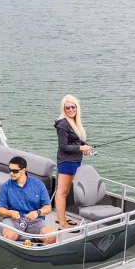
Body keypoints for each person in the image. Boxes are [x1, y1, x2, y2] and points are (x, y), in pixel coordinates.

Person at [0, 156, 57, 244]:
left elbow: (48, 208)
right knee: (9, 236)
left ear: (23, 170)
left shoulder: (38, 184)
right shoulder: (5, 186)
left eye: (15, 171)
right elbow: (0, 211)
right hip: (13, 220)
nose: (11, 173)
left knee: (51, 237)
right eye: (10, 170)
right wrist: (11, 213)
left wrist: (37, 212)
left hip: (36, 221)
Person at [54, 95, 92, 230]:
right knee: (62, 192)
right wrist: (82, 148)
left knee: (65, 191)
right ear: (63, 109)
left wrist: (85, 146)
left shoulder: (74, 121)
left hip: (75, 161)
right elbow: (63, 147)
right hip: (66, 162)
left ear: (77, 107)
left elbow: (78, 140)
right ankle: (62, 223)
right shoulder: (63, 123)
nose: (71, 109)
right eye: (67, 107)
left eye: (73, 106)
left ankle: (60, 217)